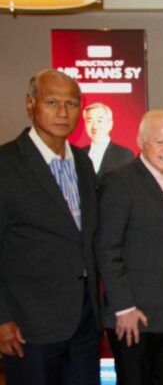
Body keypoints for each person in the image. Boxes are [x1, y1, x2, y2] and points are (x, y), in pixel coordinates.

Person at [0, 69, 100, 384]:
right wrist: (2, 318)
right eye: (52, 102)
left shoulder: (83, 162)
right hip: (29, 324)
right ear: (31, 105)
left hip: (84, 317)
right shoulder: (6, 164)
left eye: (71, 104)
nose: (62, 112)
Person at [97, 109, 163, 385]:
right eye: (160, 141)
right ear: (141, 141)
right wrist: (123, 307)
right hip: (134, 315)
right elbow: (107, 249)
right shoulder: (119, 181)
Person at [82, 102, 134, 178]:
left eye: (99, 121)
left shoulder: (124, 155)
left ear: (110, 124)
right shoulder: (80, 154)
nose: (94, 126)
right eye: (89, 121)